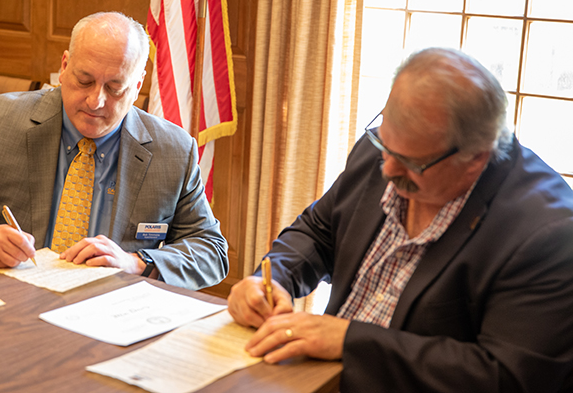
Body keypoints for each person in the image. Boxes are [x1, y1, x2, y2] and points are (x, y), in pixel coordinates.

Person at [227, 48, 573, 392]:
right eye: (385, 144)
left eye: (411, 163)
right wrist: (273, 279)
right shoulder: (383, 151)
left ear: (476, 158)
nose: (388, 170)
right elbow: (319, 232)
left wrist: (349, 341)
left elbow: (506, 377)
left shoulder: (548, 233)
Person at [0, 12, 228, 291]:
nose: (96, 101)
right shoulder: (1, 121)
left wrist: (137, 262)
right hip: (5, 305)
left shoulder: (173, 150)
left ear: (138, 85)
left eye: (115, 88)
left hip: (109, 313)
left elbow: (212, 251)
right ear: (64, 66)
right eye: (84, 80)